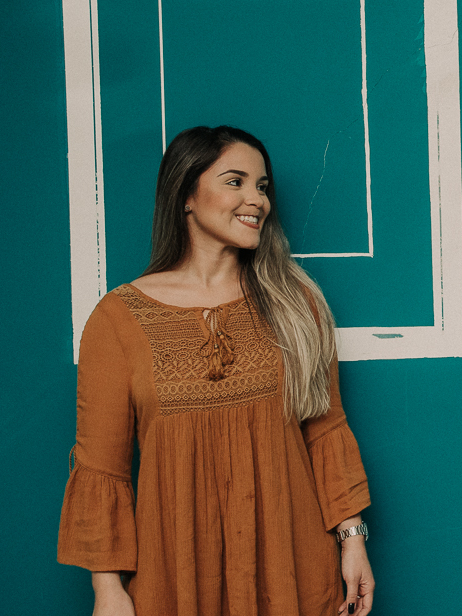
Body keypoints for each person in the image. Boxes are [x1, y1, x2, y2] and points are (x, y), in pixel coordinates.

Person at [58, 125, 375, 616]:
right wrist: (108, 590)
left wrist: (353, 542)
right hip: (175, 576)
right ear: (187, 194)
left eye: (263, 186)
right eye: (236, 181)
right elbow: (103, 466)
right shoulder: (117, 319)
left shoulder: (297, 304)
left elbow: (325, 430)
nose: (257, 200)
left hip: (294, 569)